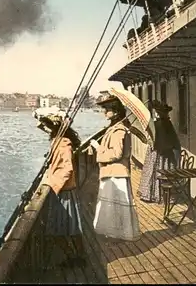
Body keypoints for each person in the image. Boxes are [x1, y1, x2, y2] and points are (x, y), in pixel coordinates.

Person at [36, 113, 86, 268]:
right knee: (72, 228)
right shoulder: (59, 141)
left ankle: (74, 257)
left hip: (62, 191)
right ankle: (79, 257)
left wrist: (54, 186)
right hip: (64, 190)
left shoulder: (63, 144)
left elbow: (67, 169)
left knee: (57, 230)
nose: (46, 130)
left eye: (48, 127)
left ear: (55, 128)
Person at [90, 95, 141, 242]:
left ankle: (117, 235)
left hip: (116, 172)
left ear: (116, 112)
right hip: (114, 171)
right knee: (114, 205)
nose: (104, 112)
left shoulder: (119, 130)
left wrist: (98, 148)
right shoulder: (115, 128)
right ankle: (116, 234)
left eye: (107, 109)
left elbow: (116, 153)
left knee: (115, 206)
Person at [138, 100, 181, 203]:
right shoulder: (163, 123)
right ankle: (158, 194)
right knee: (157, 170)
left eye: (164, 112)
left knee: (156, 170)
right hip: (161, 151)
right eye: (162, 112)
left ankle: (155, 194)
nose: (164, 114)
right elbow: (174, 141)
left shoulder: (159, 123)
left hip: (160, 152)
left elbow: (171, 139)